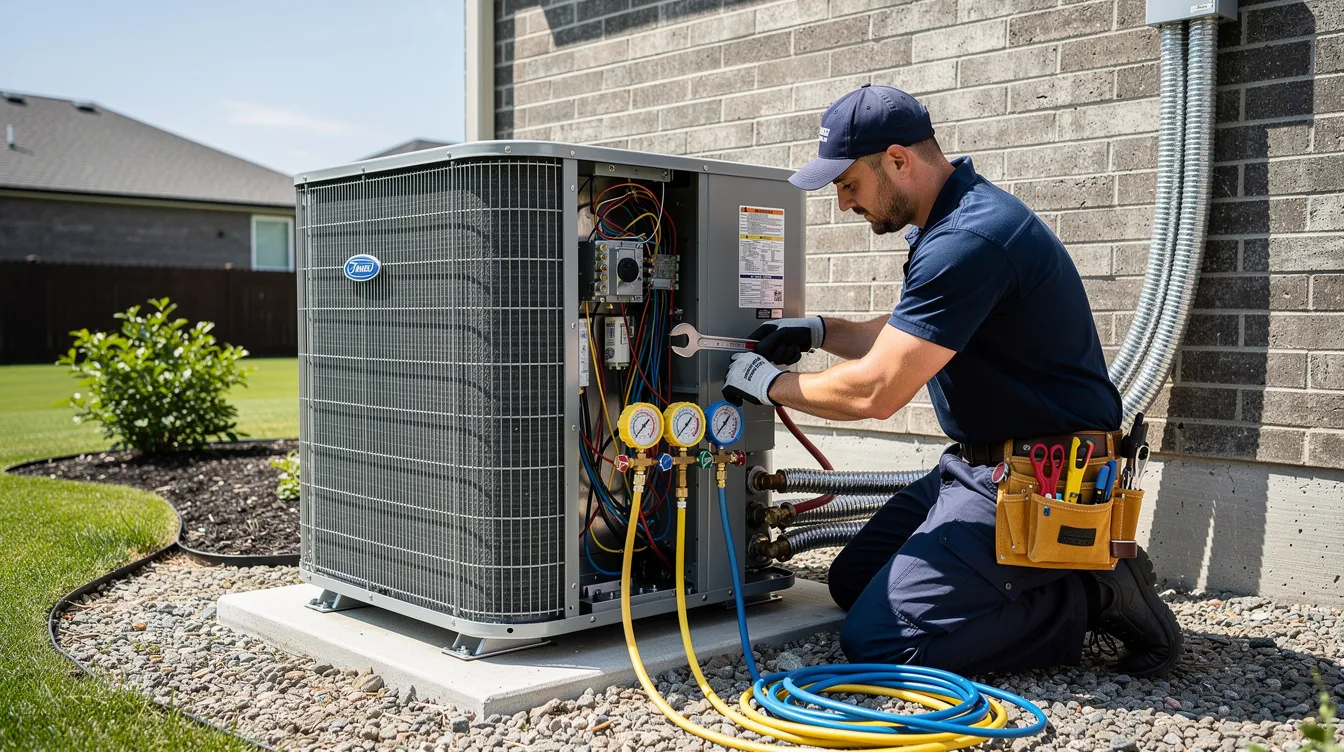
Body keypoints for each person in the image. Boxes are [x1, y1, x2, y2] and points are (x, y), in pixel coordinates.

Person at [720, 84, 1183, 678]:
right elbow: (911, 334)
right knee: (853, 580)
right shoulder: (953, 220)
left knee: (882, 643)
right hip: (979, 467)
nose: (842, 204)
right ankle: (1041, 579)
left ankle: (1093, 595)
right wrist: (817, 330)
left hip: (1040, 482)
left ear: (896, 160)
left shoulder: (970, 238)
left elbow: (876, 391)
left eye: (847, 184)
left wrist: (768, 384)